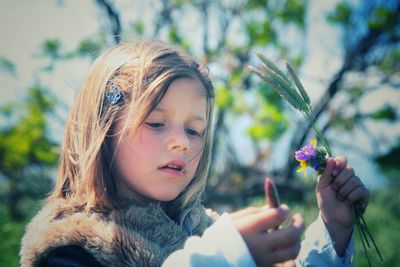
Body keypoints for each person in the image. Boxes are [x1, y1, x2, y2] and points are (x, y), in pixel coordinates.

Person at [20, 40, 369, 267]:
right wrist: (224, 258)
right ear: (103, 127)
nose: (182, 143)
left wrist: (333, 232)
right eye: (156, 123)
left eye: (194, 130)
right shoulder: (71, 252)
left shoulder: (206, 232)